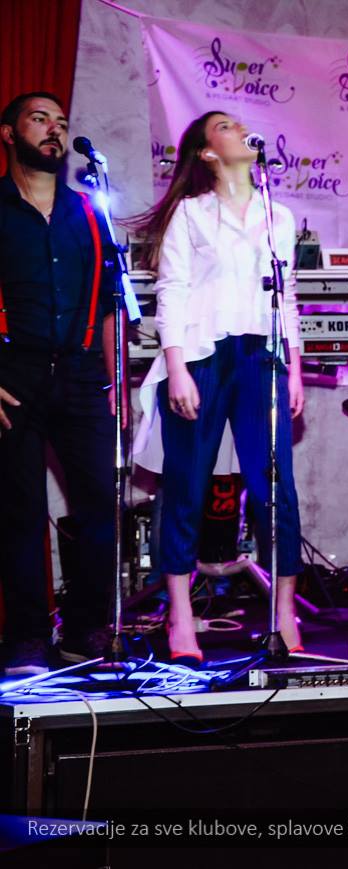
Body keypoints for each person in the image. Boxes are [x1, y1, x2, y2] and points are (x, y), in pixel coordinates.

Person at [132, 111, 305, 663]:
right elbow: (172, 291)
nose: (240, 130)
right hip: (202, 355)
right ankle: (181, 616)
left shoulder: (279, 214)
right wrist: (176, 366)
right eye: (225, 127)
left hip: (261, 355)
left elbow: (286, 295)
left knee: (276, 486)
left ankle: (283, 613)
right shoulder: (190, 213)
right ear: (207, 153)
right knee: (187, 486)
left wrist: (295, 367)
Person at [0, 92, 118, 674]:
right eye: (40, 119)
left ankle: (85, 630)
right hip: (12, 373)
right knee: (19, 508)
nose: (54, 129)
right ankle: (26, 636)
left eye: (62, 122)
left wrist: (113, 383)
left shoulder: (91, 213)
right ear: (9, 134)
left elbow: (110, 306)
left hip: (80, 372)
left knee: (98, 502)